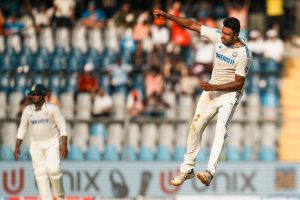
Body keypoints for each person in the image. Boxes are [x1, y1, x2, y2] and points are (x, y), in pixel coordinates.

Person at [153, 10, 252, 186]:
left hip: (229, 94)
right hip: (212, 90)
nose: (222, 36)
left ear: (236, 35)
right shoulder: (217, 36)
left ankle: (209, 172)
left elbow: (238, 83)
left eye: (227, 34)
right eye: (222, 32)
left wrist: (214, 87)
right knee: (195, 127)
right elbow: (191, 24)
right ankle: (187, 169)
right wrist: (168, 16)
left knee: (220, 130)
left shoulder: (243, 54)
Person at [14, 84, 68, 200]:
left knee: (53, 169)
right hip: (36, 146)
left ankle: (60, 196)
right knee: (40, 174)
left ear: (44, 95)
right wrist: (17, 146)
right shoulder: (27, 111)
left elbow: (62, 125)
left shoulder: (53, 109)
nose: (34, 97)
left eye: (37, 95)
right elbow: (22, 128)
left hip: (52, 143)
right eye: (32, 95)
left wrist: (64, 144)